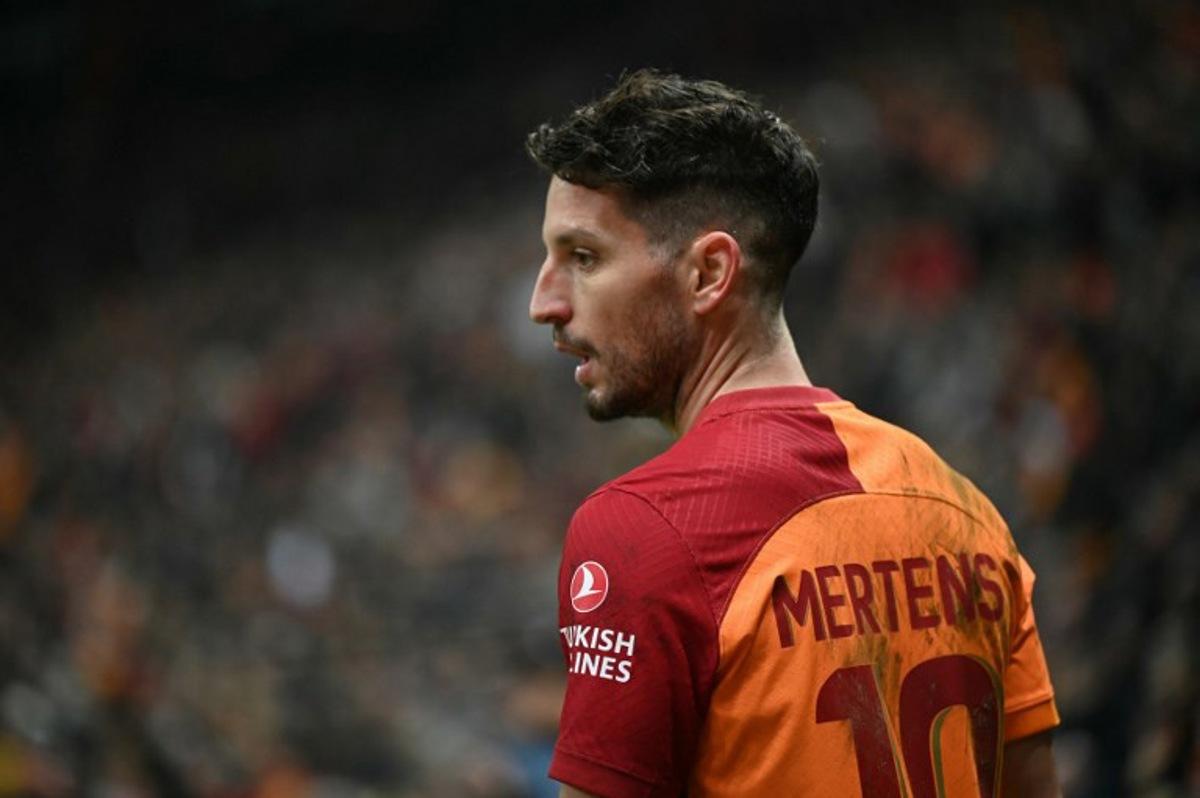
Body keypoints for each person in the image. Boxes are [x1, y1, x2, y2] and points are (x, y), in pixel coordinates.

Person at [525, 69, 1060, 798]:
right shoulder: (962, 510)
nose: (542, 303)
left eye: (583, 258)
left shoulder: (643, 530)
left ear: (710, 273)